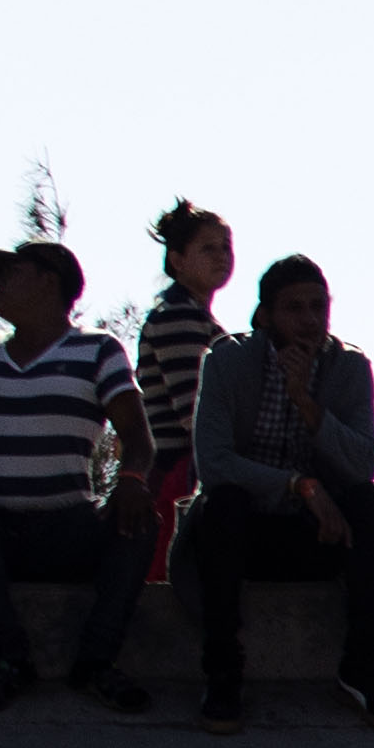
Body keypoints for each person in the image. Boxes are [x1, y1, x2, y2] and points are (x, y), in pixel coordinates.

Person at [0, 236, 159, 716]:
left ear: (47, 280)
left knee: (142, 522)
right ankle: (10, 659)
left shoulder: (99, 350)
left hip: (68, 529)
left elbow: (139, 441)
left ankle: (97, 662)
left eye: (9, 272)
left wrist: (132, 480)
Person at [175, 254, 374, 730]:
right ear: (265, 315)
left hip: (317, 536)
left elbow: (364, 463)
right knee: (222, 504)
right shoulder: (227, 360)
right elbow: (214, 464)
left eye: (319, 306)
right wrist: (300, 484)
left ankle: (362, 667)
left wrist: (307, 403)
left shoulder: (349, 367)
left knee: (371, 503)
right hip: (243, 537)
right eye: (294, 308)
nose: (310, 320)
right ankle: (223, 674)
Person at [137, 201, 232, 574]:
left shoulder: (193, 315)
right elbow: (195, 412)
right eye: (208, 247)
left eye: (225, 246)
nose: (222, 256)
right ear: (177, 259)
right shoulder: (178, 315)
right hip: (179, 474)